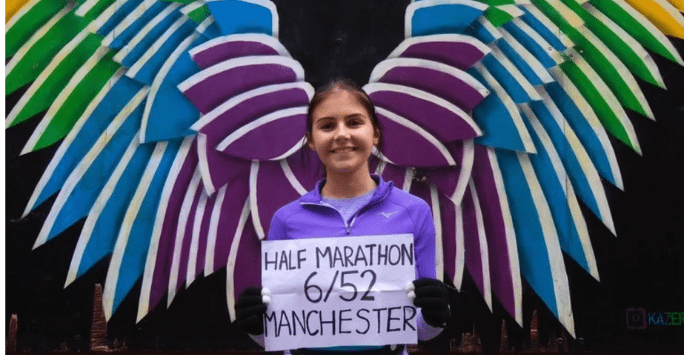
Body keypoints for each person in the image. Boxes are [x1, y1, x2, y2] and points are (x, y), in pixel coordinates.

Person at [235, 78, 450, 354]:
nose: (341, 134)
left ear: (375, 133)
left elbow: (421, 329)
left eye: (354, 122)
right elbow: (281, 332)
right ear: (312, 140)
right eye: (327, 126)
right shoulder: (285, 220)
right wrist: (256, 326)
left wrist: (435, 314)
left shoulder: (414, 211)